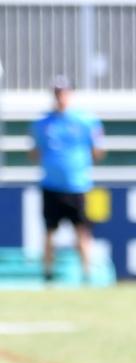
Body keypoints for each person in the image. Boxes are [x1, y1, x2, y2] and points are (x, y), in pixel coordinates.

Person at [29, 77, 105, 283]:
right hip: (51, 185)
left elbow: (98, 149)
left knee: (82, 231)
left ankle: (87, 274)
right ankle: (47, 273)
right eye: (57, 93)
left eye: (63, 93)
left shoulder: (85, 121)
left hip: (77, 185)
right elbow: (35, 151)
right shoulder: (42, 123)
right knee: (49, 231)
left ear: (70, 94)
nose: (60, 97)